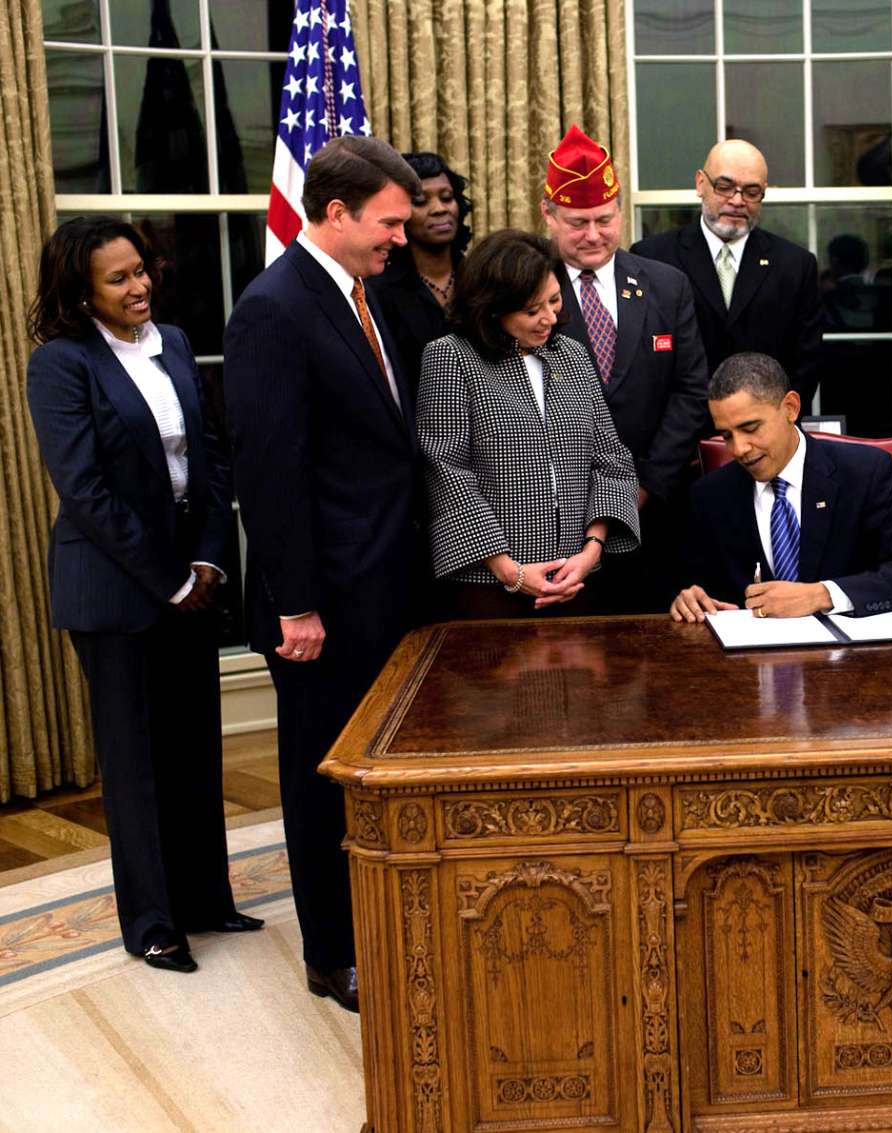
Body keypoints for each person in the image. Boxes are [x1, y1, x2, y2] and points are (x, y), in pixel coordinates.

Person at [24, 216, 260, 975]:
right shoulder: (60, 364)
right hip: (117, 591)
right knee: (135, 760)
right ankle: (154, 921)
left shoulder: (178, 343)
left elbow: (213, 453)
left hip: (193, 578)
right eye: (119, 278)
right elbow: (85, 489)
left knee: (195, 746)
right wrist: (169, 577)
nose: (141, 286)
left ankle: (207, 899)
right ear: (80, 292)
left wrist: (211, 560)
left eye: (142, 270)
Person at [222, 136, 423, 1013]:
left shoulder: (361, 296)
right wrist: (297, 604)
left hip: (386, 582)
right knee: (321, 772)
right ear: (335, 213)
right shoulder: (275, 308)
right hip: (324, 604)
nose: (400, 240)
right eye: (389, 223)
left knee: (374, 766)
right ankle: (332, 953)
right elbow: (269, 469)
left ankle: (378, 920)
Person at [417, 229, 640, 617]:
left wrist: (591, 552)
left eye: (554, 301)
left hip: (578, 580)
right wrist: (510, 572)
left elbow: (611, 461)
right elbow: (446, 472)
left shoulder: (571, 355)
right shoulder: (451, 357)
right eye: (532, 310)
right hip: (488, 588)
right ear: (491, 307)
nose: (549, 318)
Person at [541, 124, 710, 612]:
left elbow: (690, 391)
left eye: (604, 219)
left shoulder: (666, 285)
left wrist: (645, 485)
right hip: (558, 515)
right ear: (548, 216)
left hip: (657, 510)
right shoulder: (527, 290)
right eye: (577, 222)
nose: (593, 235)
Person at [671, 352, 892, 622]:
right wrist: (689, 598)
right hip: (750, 662)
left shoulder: (863, 473)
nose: (739, 449)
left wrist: (823, 595)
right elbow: (696, 587)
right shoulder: (710, 495)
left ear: (790, 408)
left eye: (751, 428)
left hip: (851, 660)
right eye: (727, 435)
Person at [632, 138, 825, 407]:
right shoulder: (652, 258)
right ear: (701, 183)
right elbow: (642, 362)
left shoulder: (795, 265)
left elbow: (806, 361)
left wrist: (775, 424)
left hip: (768, 432)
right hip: (681, 436)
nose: (737, 201)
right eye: (724, 187)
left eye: (752, 191)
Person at [367, 151, 474, 397]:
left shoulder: (483, 279)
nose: (439, 209)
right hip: (414, 427)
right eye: (421, 202)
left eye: (447, 198)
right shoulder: (377, 292)